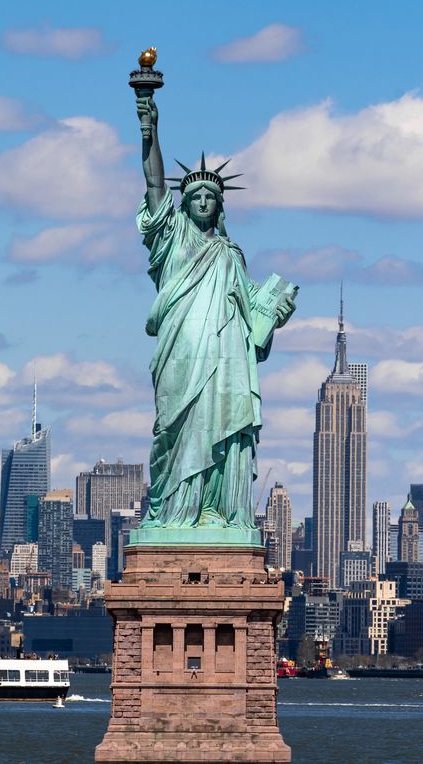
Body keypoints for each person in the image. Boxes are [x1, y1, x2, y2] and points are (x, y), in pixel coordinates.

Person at [134, 90, 295, 529]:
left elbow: (251, 322)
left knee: (220, 427)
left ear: (219, 206)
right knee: (177, 428)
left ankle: (214, 509)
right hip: (181, 349)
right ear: (184, 205)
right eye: (195, 196)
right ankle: (173, 511)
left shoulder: (230, 255)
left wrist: (273, 315)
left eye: (211, 196)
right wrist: (149, 130)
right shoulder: (173, 240)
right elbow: (152, 186)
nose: (203, 201)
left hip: (226, 361)